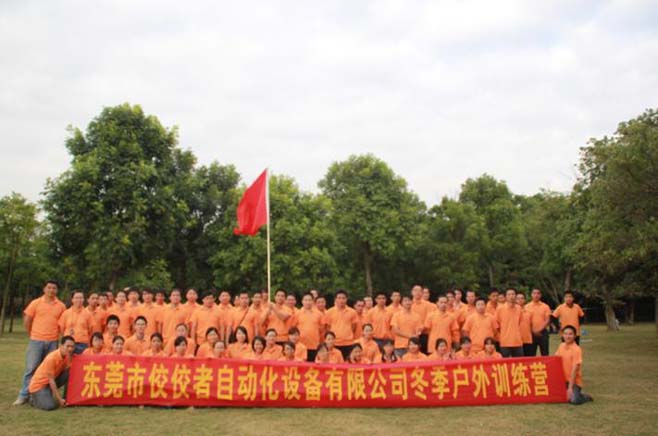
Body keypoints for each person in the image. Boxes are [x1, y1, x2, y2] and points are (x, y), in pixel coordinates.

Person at [15, 280, 66, 406]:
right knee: (31, 368)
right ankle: (24, 395)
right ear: (44, 289)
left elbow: (62, 323)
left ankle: (42, 394)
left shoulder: (61, 306)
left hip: (52, 341)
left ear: (57, 290)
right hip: (36, 341)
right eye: (49, 287)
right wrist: (32, 334)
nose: (51, 290)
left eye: (54, 288)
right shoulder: (36, 303)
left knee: (50, 370)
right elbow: (27, 320)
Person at [28, 335, 75, 411]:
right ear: (60, 346)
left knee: (70, 372)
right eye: (68, 346)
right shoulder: (52, 358)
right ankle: (33, 399)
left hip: (49, 383)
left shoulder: (66, 356)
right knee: (50, 406)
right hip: (39, 386)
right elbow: (52, 381)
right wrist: (59, 399)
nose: (70, 349)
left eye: (72, 347)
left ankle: (66, 398)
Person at [556, 325, 593, 405]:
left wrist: (570, 387)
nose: (568, 336)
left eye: (570, 334)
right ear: (562, 335)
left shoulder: (576, 349)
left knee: (574, 401)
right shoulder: (561, 346)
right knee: (558, 398)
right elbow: (554, 360)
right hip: (563, 381)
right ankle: (574, 393)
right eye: (565, 334)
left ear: (575, 336)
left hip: (574, 382)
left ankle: (584, 397)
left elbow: (575, 369)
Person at [322, 289, 358, 360]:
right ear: (335, 299)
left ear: (346, 299)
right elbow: (327, 328)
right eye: (339, 298)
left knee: (348, 363)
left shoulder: (352, 312)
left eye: (343, 298)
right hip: (334, 343)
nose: (341, 300)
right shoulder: (329, 312)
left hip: (348, 343)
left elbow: (354, 327)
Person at [58, 289, 95, 355]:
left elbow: (91, 330)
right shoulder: (66, 313)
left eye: (81, 298)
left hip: (83, 343)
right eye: (76, 298)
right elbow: (61, 329)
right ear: (72, 300)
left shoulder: (88, 314)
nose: (79, 300)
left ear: (83, 300)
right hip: (68, 343)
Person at [292, 293, 323, 362]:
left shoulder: (319, 314)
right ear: (302, 301)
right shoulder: (297, 314)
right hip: (301, 346)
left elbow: (322, 330)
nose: (308, 302)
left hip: (314, 346)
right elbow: (293, 329)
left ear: (313, 301)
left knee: (313, 366)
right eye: (306, 300)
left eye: (309, 300)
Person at [495, 288, 524, 357]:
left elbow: (519, 322)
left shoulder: (519, 308)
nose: (511, 296)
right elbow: (496, 324)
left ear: (515, 296)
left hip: (517, 341)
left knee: (519, 362)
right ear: (506, 297)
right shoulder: (500, 308)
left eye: (513, 294)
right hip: (505, 342)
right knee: (504, 362)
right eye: (509, 294)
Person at [525, 288, 552, 356]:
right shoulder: (526, 307)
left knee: (545, 353)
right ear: (531, 295)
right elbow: (526, 321)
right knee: (530, 354)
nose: (536, 295)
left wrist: (539, 330)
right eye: (534, 293)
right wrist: (533, 331)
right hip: (531, 333)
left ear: (540, 295)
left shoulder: (545, 306)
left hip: (543, 333)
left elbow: (547, 320)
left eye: (538, 293)